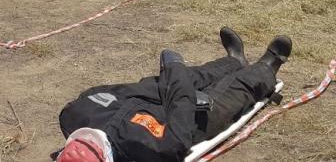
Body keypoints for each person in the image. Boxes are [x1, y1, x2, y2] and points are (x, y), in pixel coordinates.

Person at [57, 28, 293, 162]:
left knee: (195, 75)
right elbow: (181, 123)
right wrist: (176, 74)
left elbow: (114, 91)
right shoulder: (145, 149)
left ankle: (233, 61)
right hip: (188, 118)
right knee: (229, 95)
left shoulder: (73, 115)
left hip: (147, 97)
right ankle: (267, 67)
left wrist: (162, 84)